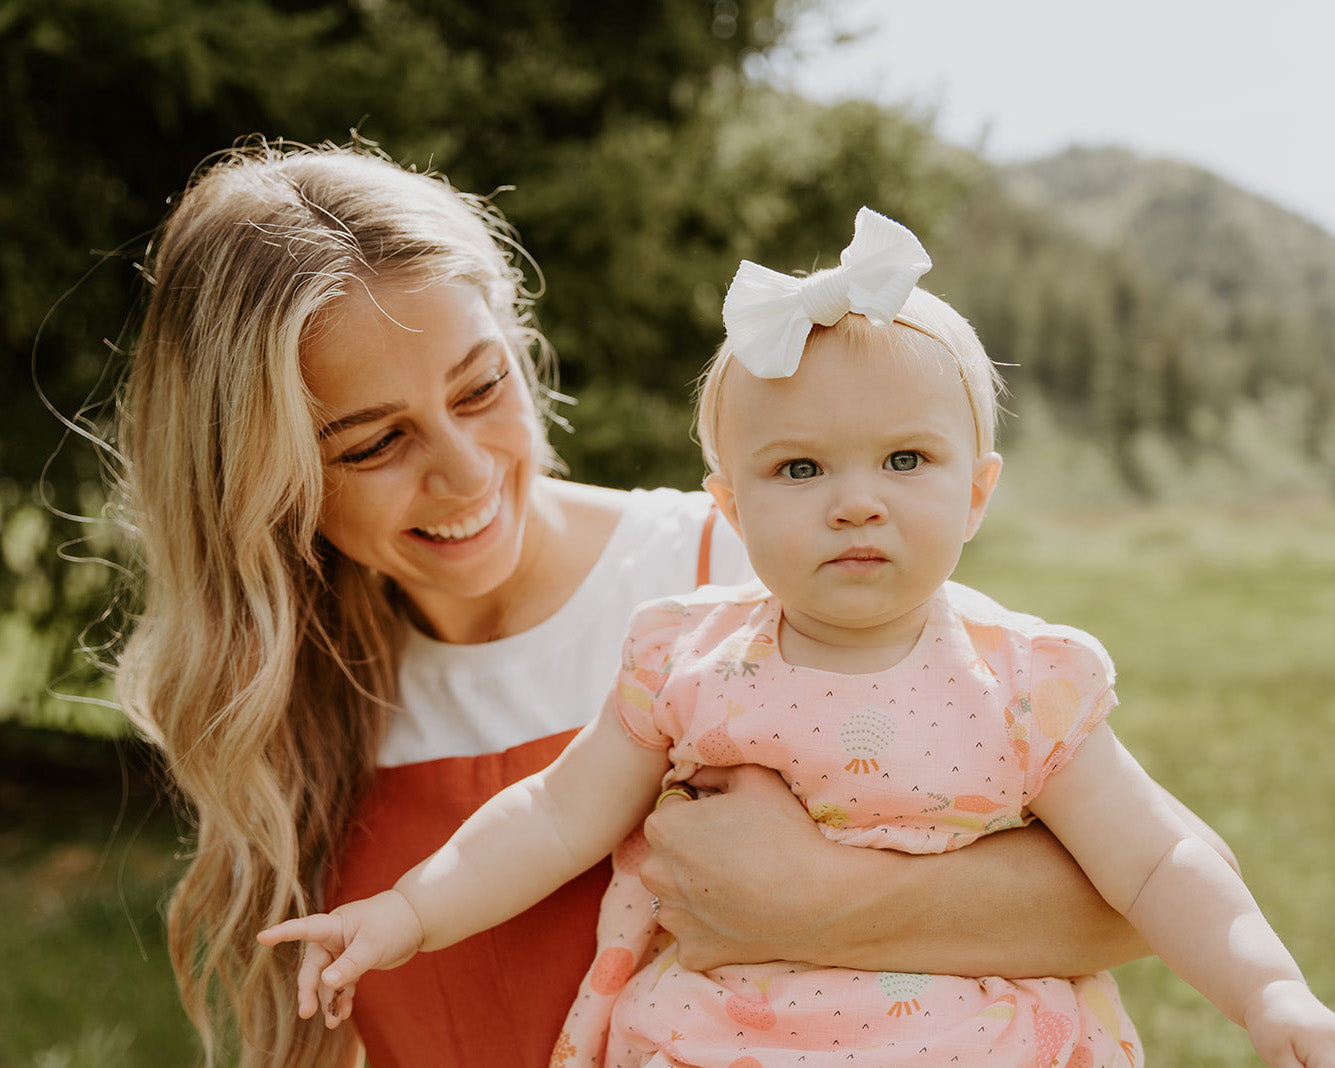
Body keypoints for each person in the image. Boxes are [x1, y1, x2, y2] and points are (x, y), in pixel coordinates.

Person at [116, 139, 1223, 1068]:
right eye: (375, 442)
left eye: (482, 387)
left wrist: (820, 900)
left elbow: (1134, 892)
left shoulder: (737, 588)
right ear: (255, 476)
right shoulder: (287, 689)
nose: (462, 472)